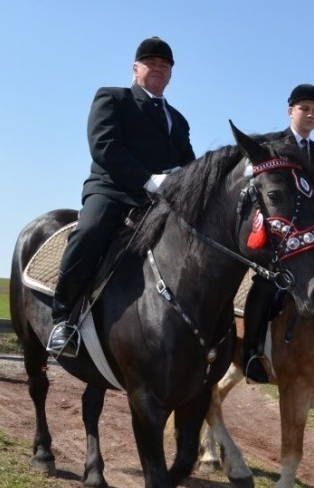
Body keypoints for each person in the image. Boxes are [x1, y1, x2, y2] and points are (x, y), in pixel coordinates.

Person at [46, 37, 196, 357]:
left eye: (164, 66)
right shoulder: (112, 97)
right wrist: (147, 180)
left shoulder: (178, 120)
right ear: (135, 68)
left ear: (170, 75)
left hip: (160, 202)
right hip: (113, 191)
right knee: (89, 233)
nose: (158, 69)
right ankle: (63, 318)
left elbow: (190, 165)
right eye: (151, 64)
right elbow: (105, 147)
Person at [241, 83, 314, 383]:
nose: (311, 114)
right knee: (266, 282)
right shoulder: (271, 145)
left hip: (313, 236)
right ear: (290, 111)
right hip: (280, 236)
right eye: (305, 108)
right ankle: (251, 352)